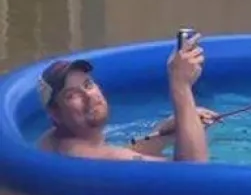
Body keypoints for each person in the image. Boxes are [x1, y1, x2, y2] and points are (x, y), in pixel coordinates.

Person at [37, 31, 217, 162]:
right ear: (55, 114)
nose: (88, 96)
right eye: (72, 95)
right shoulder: (92, 156)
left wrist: (165, 131)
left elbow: (121, 153)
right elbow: (192, 172)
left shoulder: (58, 140)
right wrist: (181, 86)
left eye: (88, 85)